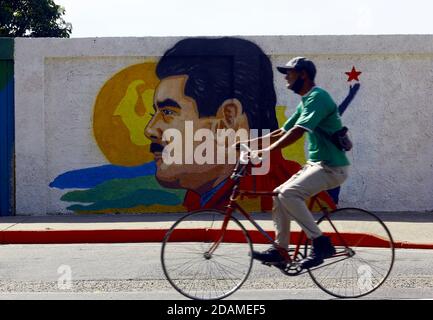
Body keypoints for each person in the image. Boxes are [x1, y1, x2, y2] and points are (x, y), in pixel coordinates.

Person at [144, 37, 302, 211]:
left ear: (229, 118)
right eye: (155, 113)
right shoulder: (202, 196)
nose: (150, 130)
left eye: (168, 112)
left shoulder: (277, 193)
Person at [244, 57, 351, 269]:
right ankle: (280, 250)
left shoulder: (318, 97)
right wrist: (246, 144)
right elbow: (282, 132)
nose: (286, 76)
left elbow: (298, 132)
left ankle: (321, 243)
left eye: (290, 72)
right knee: (279, 194)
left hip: (332, 166)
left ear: (303, 74)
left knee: (289, 194)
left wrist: (266, 151)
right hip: (316, 165)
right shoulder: (306, 102)